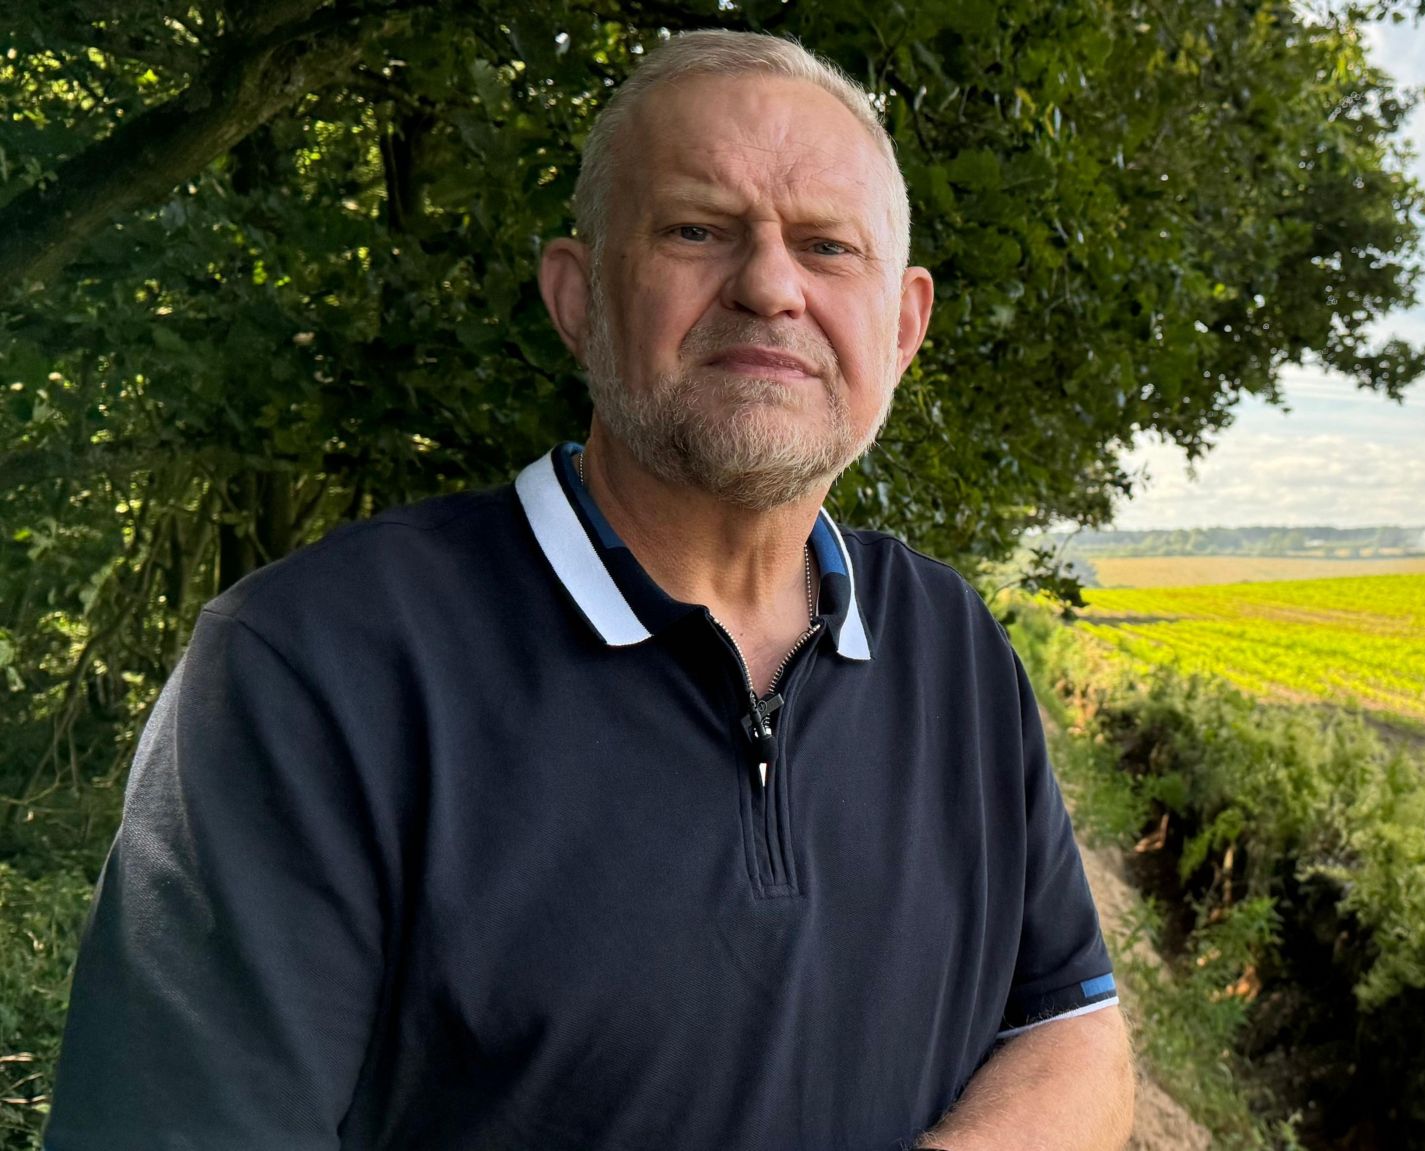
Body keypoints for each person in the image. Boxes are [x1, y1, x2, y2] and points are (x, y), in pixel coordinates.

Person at [46, 28, 1133, 1151]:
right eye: (697, 230)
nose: (769, 285)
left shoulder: (951, 646)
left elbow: (1072, 1020)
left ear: (902, 326)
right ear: (577, 296)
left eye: (826, 246)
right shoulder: (313, 671)